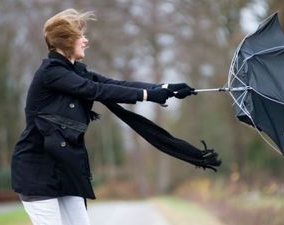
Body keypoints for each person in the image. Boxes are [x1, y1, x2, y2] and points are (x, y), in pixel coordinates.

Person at [10, 9, 195, 225]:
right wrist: (148, 95)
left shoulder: (74, 71)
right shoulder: (51, 72)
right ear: (67, 40)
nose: (85, 41)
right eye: (81, 36)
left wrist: (164, 88)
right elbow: (95, 90)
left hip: (65, 169)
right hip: (37, 172)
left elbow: (113, 84)